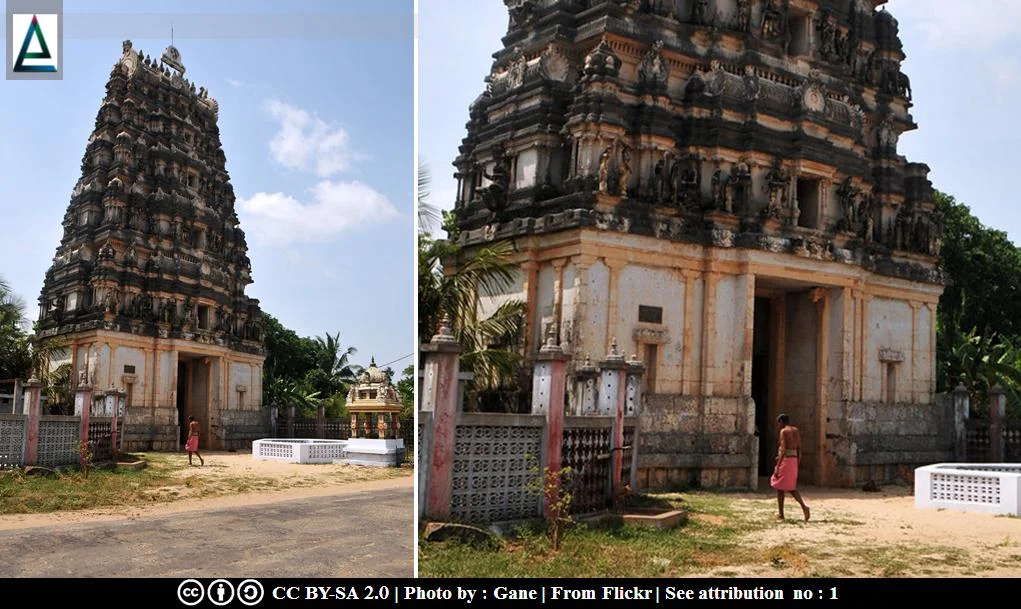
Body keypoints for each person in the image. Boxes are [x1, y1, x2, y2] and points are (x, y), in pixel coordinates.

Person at [770, 413, 809, 521]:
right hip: (794, 460)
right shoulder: (796, 430)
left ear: (781, 422)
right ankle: (803, 507)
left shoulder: (783, 431)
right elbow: (799, 448)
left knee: (779, 486)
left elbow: (783, 450)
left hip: (786, 460)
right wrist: (797, 462)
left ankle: (781, 514)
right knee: (790, 487)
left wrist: (778, 466)